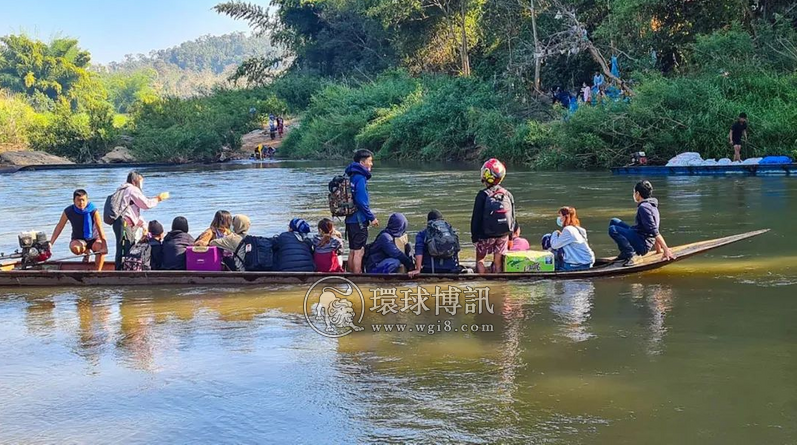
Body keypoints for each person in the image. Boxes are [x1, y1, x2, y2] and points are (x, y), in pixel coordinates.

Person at [608, 181, 676, 267]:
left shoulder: (643, 208)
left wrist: (666, 249)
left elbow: (653, 230)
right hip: (639, 235)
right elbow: (654, 227)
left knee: (613, 229)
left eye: (634, 192)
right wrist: (658, 250)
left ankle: (632, 255)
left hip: (642, 244)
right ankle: (625, 253)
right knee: (614, 221)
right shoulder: (651, 205)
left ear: (637, 193)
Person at [112, 171, 169, 270]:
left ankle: (124, 268)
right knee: (126, 247)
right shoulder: (132, 189)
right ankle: (123, 271)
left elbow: (132, 211)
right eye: (141, 182)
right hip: (124, 223)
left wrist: (143, 225)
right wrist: (158, 198)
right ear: (135, 181)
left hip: (121, 222)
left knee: (123, 247)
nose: (142, 185)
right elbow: (145, 204)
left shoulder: (122, 189)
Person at [470, 158, 516, 274]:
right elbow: (512, 218)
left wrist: (475, 237)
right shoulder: (507, 194)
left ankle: (483, 283)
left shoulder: (482, 195)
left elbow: (476, 219)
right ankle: (499, 284)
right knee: (498, 262)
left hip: (485, 235)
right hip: (503, 235)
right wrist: (510, 237)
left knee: (480, 259)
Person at [50, 189, 108, 271]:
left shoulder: (93, 211)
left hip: (94, 239)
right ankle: (87, 252)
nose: (81, 203)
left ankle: (97, 272)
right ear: (73, 201)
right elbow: (59, 226)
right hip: (79, 239)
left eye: (83, 200)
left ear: (87, 200)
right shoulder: (68, 211)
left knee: (100, 249)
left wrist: (104, 246)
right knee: (75, 248)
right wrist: (51, 243)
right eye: (78, 200)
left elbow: (100, 229)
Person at [345, 149, 379, 273]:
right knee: (359, 251)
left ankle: (349, 275)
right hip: (359, 220)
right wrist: (372, 217)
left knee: (353, 250)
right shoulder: (360, 178)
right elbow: (361, 201)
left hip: (350, 219)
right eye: (370, 161)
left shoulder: (351, 176)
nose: (371, 164)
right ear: (362, 162)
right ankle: (358, 277)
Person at [408, 210, 459, 277]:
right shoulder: (451, 232)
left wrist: (418, 270)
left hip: (431, 269)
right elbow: (456, 249)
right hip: (451, 269)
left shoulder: (422, 234)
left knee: (409, 247)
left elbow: (419, 253)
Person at [547, 207, 595, 271]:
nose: (559, 218)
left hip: (578, 264)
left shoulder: (568, 230)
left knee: (547, 238)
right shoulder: (579, 229)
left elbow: (554, 245)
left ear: (565, 217)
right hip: (588, 261)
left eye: (560, 216)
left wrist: (555, 233)